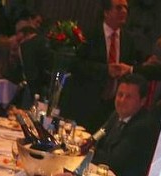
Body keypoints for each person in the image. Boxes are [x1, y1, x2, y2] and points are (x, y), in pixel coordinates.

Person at [59, 0, 147, 132]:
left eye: (126, 8)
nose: (124, 12)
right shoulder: (88, 35)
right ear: (106, 12)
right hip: (85, 101)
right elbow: (75, 64)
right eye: (118, 8)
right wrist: (105, 70)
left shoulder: (128, 41)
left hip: (110, 107)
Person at [92, 73, 158, 176]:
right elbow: (97, 137)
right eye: (120, 95)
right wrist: (89, 145)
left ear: (142, 101)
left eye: (128, 97)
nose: (122, 100)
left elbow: (113, 161)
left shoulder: (143, 127)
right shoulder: (117, 115)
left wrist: (91, 151)